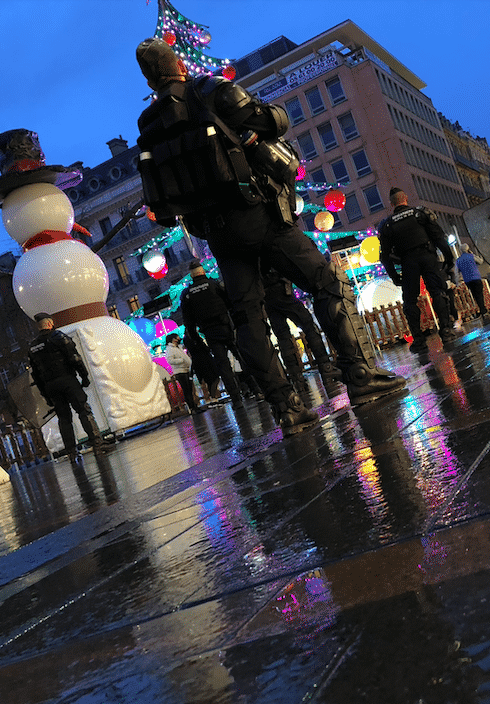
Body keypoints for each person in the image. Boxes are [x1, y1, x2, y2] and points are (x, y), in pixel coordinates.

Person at [135, 38, 403, 434]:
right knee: (328, 284)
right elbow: (272, 120)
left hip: (217, 233)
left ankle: (286, 408)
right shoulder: (206, 89)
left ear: (148, 77)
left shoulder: (149, 124)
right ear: (177, 64)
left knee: (248, 318)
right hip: (259, 214)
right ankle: (359, 375)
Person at [378, 187, 458, 353]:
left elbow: (384, 255)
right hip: (428, 257)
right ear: (406, 198)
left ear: (391, 204)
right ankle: (446, 331)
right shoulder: (419, 214)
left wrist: (394, 276)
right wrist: (448, 259)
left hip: (408, 262)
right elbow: (439, 237)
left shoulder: (387, 224)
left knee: (410, 300)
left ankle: (419, 340)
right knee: (437, 292)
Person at [27, 313, 102, 461]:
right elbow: (75, 358)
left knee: (64, 418)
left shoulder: (33, 347)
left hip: (51, 387)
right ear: (50, 324)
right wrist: (84, 376)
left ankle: (72, 452)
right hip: (67, 380)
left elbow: (35, 374)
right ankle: (97, 444)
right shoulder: (58, 337)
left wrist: (46, 395)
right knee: (83, 410)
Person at [262, 266, 343, 396]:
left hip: (266, 295)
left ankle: (297, 379)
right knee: (308, 324)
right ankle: (325, 367)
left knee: (283, 337)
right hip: (280, 287)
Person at [180, 261, 245, 409]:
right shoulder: (214, 284)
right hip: (226, 327)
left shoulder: (188, 294)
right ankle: (257, 388)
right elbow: (230, 302)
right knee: (241, 356)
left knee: (223, 365)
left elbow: (188, 321)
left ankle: (236, 399)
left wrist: (196, 339)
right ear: (202, 271)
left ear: (191, 275)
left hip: (210, 333)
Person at [165, 333, 198, 413]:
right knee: (186, 390)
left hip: (186, 370)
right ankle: (191, 407)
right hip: (180, 371)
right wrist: (181, 361)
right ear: (173, 339)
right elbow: (170, 360)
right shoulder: (170, 349)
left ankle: (194, 406)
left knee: (190, 389)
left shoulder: (178, 347)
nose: (179, 339)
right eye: (177, 337)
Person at [455, 243, 488, 317]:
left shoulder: (458, 260)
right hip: (476, 277)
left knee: (474, 295)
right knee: (480, 294)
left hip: (468, 280)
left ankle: (481, 309)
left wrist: (458, 282)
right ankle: (483, 309)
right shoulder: (472, 256)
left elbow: (456, 272)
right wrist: (473, 253)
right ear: (468, 249)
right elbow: (480, 261)